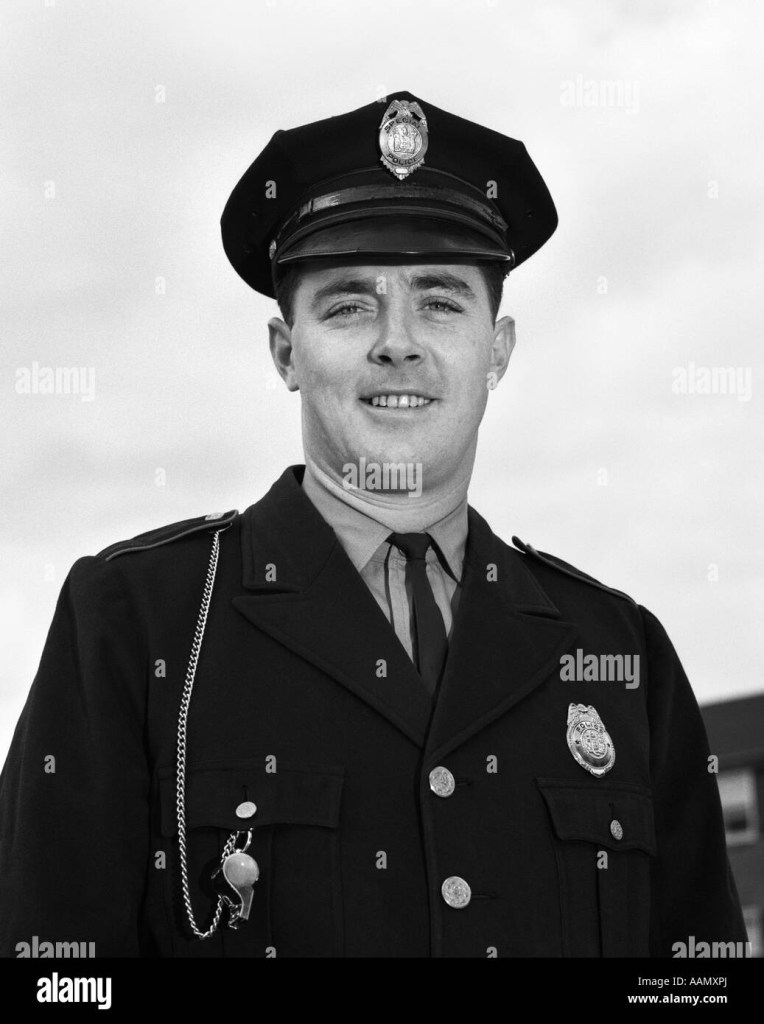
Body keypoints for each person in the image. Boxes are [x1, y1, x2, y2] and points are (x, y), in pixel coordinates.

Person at [0, 90, 746, 958]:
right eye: (350, 305)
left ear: (498, 350)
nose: (399, 342)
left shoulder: (622, 656)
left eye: (441, 302)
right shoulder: (135, 623)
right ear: (286, 351)